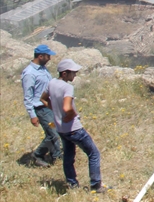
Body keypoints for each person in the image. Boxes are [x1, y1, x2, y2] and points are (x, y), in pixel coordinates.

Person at [41, 59, 107, 193]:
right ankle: (96, 185)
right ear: (65, 73)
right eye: (73, 73)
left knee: (68, 156)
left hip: (61, 129)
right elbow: (67, 107)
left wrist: (54, 110)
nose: (75, 75)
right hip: (73, 128)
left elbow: (43, 99)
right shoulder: (68, 87)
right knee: (93, 153)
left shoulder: (52, 83)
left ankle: (72, 183)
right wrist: (72, 114)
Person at [21, 44, 62, 168]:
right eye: (47, 56)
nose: (49, 58)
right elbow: (28, 97)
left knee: (55, 131)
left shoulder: (43, 69)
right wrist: (32, 115)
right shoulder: (29, 73)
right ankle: (38, 155)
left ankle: (56, 155)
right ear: (40, 56)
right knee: (53, 133)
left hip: (48, 106)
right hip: (40, 109)